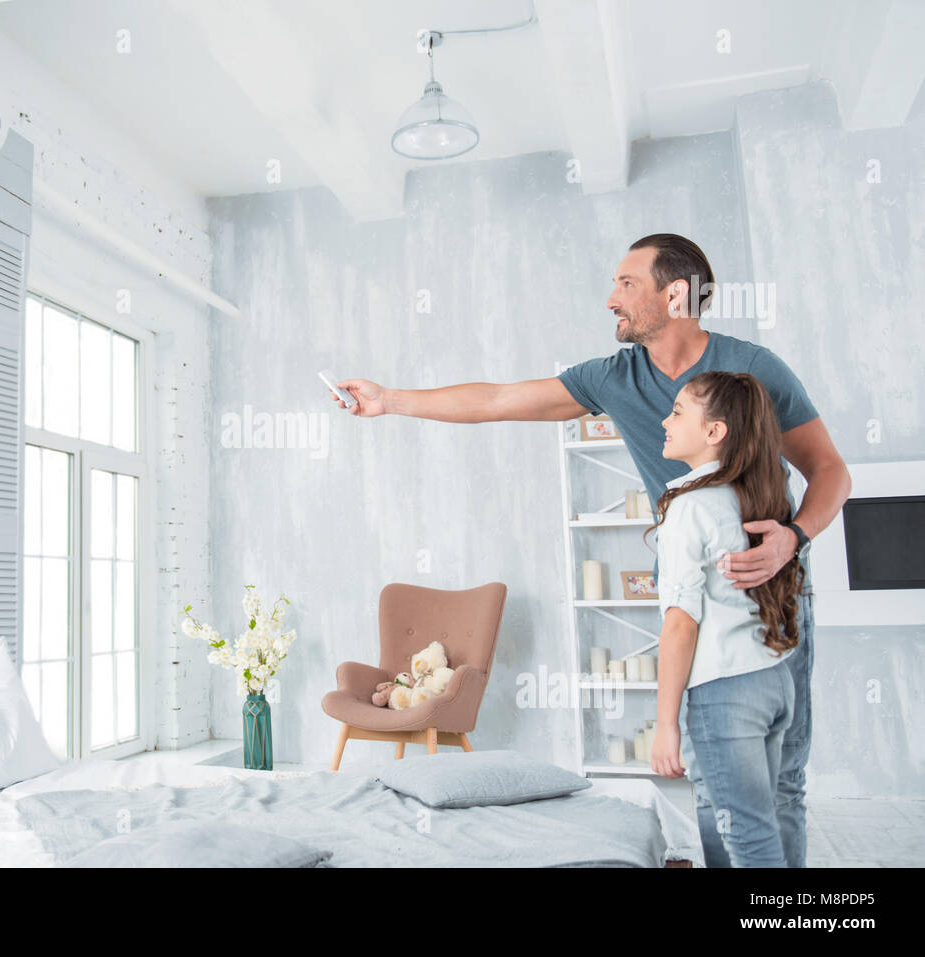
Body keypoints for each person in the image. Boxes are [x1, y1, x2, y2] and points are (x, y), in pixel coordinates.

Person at [326, 233, 851, 868]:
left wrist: (792, 539)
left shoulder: (752, 371)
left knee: (783, 779)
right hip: (696, 597)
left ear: (675, 294)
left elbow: (830, 471)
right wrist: (391, 401)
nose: (611, 299)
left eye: (627, 284)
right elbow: (498, 399)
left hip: (774, 594)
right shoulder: (614, 377)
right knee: (715, 782)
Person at [646, 371, 805, 867]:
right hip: (773, 680)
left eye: (677, 412)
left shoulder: (691, 509)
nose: (665, 421)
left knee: (748, 840)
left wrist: (665, 723)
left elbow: (679, 624)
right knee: (729, 819)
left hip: (724, 690)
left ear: (714, 432)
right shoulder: (755, 497)